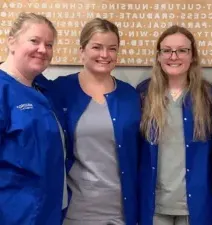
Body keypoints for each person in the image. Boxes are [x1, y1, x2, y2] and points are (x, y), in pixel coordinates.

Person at [53, 18, 141, 225]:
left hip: (121, 211)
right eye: (97, 47)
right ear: (81, 51)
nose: (105, 55)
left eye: (112, 48)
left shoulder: (130, 95)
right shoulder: (59, 90)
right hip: (75, 212)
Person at [137, 25, 212, 225]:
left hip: (194, 206)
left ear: (193, 56)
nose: (174, 56)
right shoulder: (142, 94)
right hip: (155, 205)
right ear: (158, 56)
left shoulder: (210, 95)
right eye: (167, 50)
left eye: (182, 50)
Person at [0, 12, 67, 225]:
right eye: (34, 41)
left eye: (49, 44)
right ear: (11, 41)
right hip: (15, 214)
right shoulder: (3, 89)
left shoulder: (43, 89)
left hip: (49, 211)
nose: (42, 50)